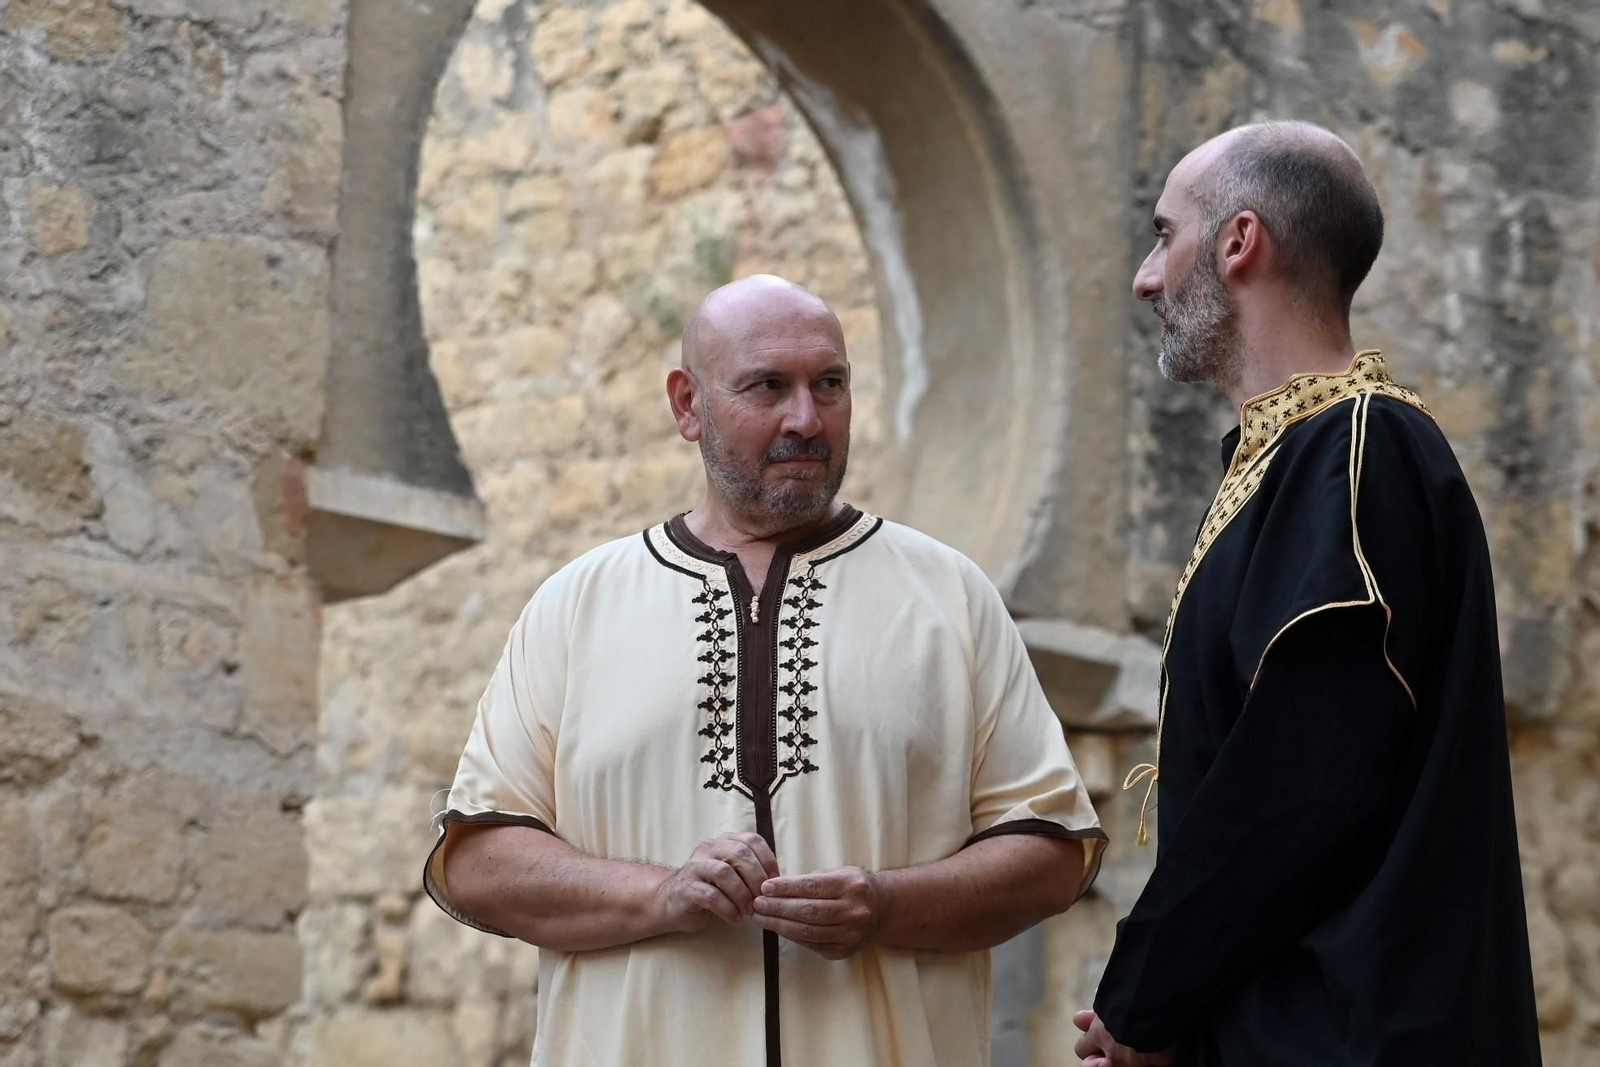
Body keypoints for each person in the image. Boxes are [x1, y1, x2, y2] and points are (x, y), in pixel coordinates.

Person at [424, 274, 1106, 1067]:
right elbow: (476, 862)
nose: (806, 419)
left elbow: (1051, 852)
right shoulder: (575, 606)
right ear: (688, 404)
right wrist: (659, 894)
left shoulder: (949, 595)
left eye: (830, 384)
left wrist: (887, 904)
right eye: (768, 387)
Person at [1074, 122, 1541, 1066]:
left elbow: (1299, 776)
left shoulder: (1361, 446)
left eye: (1164, 235)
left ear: (1239, 242)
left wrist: (1145, 995)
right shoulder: (1301, 456)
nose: (1145, 279)